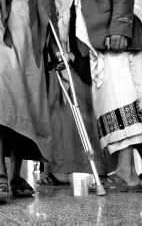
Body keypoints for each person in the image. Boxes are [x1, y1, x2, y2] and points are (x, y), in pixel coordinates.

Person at [74, 0, 142, 191]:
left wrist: (120, 28)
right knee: (124, 103)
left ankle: (126, 172)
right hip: (102, 41)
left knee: (119, 101)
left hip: (113, 37)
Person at [0, 0, 64, 202]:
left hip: (32, 46)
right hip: (1, 36)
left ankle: (15, 176)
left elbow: (50, 19)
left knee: (24, 109)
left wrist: (57, 51)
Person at [37, 11, 108, 186]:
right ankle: (60, 170)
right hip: (56, 73)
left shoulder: (73, 15)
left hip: (75, 72)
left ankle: (99, 169)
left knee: (83, 121)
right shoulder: (51, 20)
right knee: (59, 123)